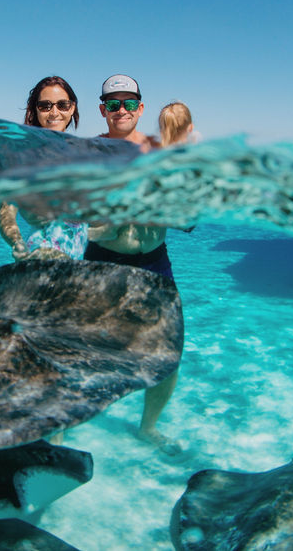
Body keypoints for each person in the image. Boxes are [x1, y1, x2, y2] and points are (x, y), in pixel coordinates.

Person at [87, 74, 181, 454]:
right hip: (101, 264)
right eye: (113, 104)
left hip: (154, 262)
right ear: (102, 110)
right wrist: (104, 225)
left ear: (141, 108)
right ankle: (72, 421)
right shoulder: (88, 153)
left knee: (168, 355)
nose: (121, 110)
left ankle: (148, 428)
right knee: (88, 350)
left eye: (129, 103)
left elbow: (187, 215)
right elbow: (72, 217)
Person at [0, 76, 88, 261]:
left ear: (72, 108)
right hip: (41, 254)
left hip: (75, 261)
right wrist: (17, 243)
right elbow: (6, 211)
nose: (54, 112)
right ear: (35, 110)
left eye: (62, 105)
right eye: (45, 106)